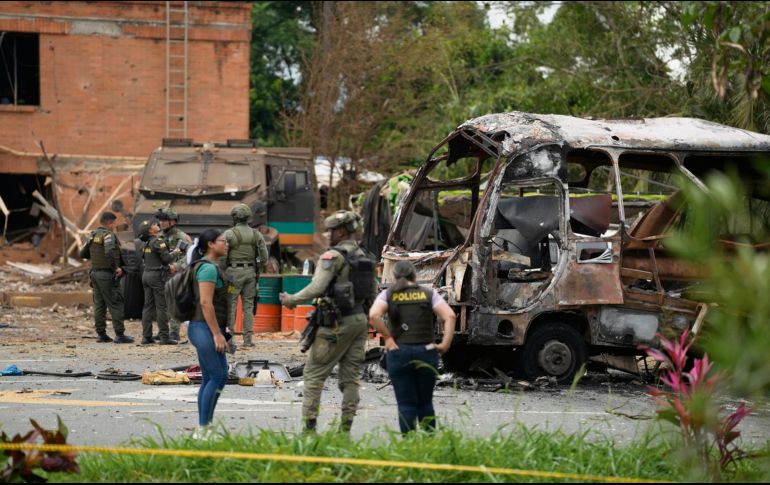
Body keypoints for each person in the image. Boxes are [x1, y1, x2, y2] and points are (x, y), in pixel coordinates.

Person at [279, 210, 374, 434]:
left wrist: (292, 300)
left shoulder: (332, 257)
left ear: (340, 231)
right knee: (351, 378)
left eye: (330, 231)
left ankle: (309, 430)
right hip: (359, 321)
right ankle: (345, 430)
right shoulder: (364, 256)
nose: (328, 235)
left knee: (314, 374)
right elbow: (373, 292)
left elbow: (317, 287)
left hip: (334, 323)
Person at [368, 260, 455, 434]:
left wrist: (388, 338)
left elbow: (374, 315)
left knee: (405, 404)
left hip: (398, 353)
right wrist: (444, 344)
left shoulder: (388, 294)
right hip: (426, 352)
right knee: (425, 403)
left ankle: (408, 443)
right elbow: (450, 316)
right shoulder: (428, 293)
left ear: (394, 277)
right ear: (415, 276)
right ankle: (429, 442)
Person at [187, 228, 231, 436]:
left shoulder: (211, 267)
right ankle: (203, 429)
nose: (226, 244)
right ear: (211, 245)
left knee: (216, 376)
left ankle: (206, 426)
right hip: (203, 328)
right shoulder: (208, 269)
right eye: (222, 241)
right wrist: (216, 334)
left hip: (207, 327)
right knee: (216, 375)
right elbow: (205, 303)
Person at [79, 211, 134, 344]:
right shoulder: (108, 235)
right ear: (110, 222)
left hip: (95, 274)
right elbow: (109, 252)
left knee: (100, 305)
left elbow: (82, 254)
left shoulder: (92, 235)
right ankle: (120, 334)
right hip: (106, 275)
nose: (115, 225)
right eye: (114, 223)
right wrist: (116, 268)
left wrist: (96, 256)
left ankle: (101, 334)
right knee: (115, 303)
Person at [224, 203, 268, 348]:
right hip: (250, 274)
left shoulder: (229, 234)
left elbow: (222, 256)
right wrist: (257, 267)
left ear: (235, 217)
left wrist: (224, 270)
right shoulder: (257, 234)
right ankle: (248, 340)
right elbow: (264, 257)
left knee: (231, 305)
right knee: (248, 306)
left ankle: (229, 338)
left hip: (232, 275)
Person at [157, 207, 192, 343]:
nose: (161, 223)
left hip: (175, 274)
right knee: (161, 303)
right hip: (160, 274)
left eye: (164, 220)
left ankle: (174, 332)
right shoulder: (158, 236)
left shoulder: (182, 237)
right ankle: (163, 331)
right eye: (160, 220)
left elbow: (189, 256)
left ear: (173, 221)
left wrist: (176, 266)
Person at [138, 220, 176, 345]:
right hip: (156, 276)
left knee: (148, 306)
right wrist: (175, 253)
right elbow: (166, 259)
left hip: (146, 275)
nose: (157, 225)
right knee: (161, 306)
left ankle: (146, 337)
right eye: (153, 225)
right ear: (150, 230)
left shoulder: (146, 243)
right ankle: (164, 337)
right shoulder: (158, 242)